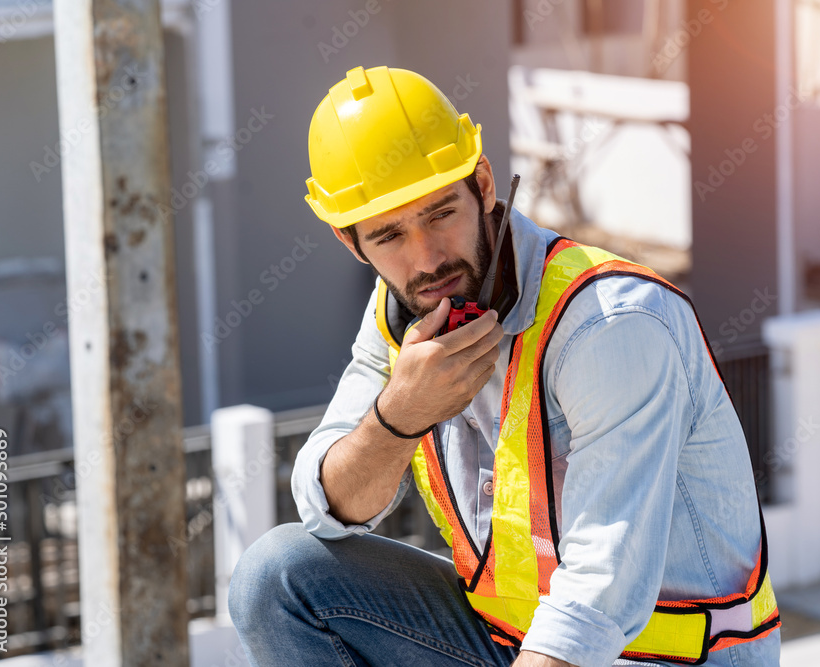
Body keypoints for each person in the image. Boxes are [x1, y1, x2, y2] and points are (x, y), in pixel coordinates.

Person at [228, 65, 781, 667]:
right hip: (507, 643)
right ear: (349, 242)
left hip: (659, 657)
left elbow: (599, 595)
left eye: (441, 214)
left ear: (484, 183)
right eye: (389, 235)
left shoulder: (610, 324)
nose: (428, 259)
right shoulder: (402, 311)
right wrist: (399, 418)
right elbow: (330, 508)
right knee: (279, 577)